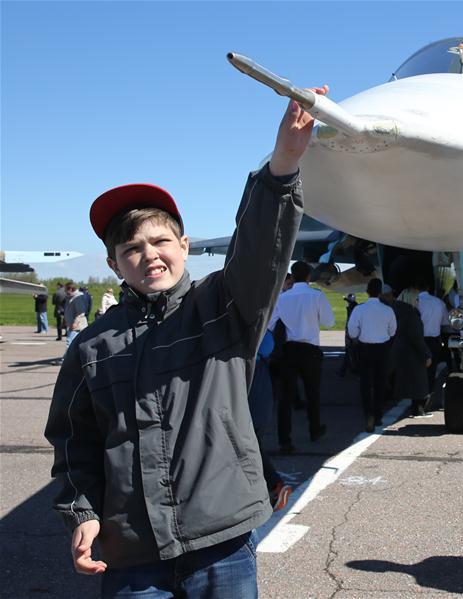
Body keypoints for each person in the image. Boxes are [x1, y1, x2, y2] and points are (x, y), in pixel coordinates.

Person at [44, 90, 324, 596]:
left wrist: (283, 164)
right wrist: (82, 512)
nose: (148, 255)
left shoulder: (223, 307)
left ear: (185, 246)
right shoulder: (90, 345)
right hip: (130, 554)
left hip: (221, 544)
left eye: (159, 241)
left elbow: (260, 246)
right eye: (131, 248)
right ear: (113, 265)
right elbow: (72, 442)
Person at [268, 260, 335, 454]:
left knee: (285, 398)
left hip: (289, 350)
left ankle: (284, 440)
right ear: (308, 276)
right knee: (313, 393)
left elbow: (271, 324)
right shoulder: (316, 296)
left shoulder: (283, 298)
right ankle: (314, 429)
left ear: (293, 275)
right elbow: (329, 322)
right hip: (310, 350)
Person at [248, 330, 292, 511]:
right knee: (252, 445)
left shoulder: (253, 350)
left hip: (253, 399)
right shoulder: (265, 338)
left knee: (249, 447)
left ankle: (274, 485)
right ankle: (272, 486)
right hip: (261, 398)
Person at [348, 278, 397, 432]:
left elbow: (352, 331)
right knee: (380, 383)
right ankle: (378, 414)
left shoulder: (359, 309)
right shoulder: (388, 310)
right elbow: (392, 331)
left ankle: (368, 413)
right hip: (382, 349)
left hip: (365, 349)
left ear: (367, 291)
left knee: (365, 383)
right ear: (380, 293)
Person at [392, 287, 432, 417]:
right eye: (417, 299)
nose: (418, 301)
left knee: (408, 380)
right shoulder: (411, 315)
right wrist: (427, 354)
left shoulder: (398, 311)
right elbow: (416, 338)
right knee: (418, 382)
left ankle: (417, 408)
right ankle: (418, 409)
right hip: (412, 353)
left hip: (401, 350)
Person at [417, 278, 449, 400]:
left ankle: (418, 395)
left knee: (418, 369)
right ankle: (428, 394)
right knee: (431, 369)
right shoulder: (439, 302)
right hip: (434, 340)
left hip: (419, 340)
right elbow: (445, 321)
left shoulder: (416, 302)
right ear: (429, 288)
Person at [63, 282, 90, 349]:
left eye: (66, 289)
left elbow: (81, 312)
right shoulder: (70, 297)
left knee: (69, 343)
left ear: (70, 289)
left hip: (77, 326)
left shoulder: (78, 297)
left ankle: (66, 359)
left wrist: (75, 322)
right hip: (72, 325)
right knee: (75, 344)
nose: (65, 291)